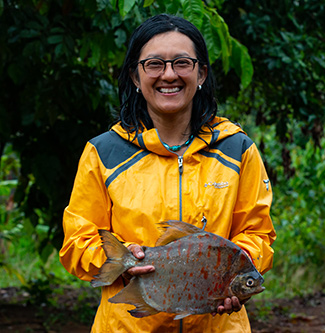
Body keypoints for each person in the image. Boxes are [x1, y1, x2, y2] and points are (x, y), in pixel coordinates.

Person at [59, 14, 276, 333]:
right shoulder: (104, 152)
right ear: (136, 76)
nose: (169, 75)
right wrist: (123, 258)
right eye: (155, 64)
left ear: (201, 72)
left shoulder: (237, 149)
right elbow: (77, 241)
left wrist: (232, 271)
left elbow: (258, 234)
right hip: (125, 326)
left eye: (182, 63)